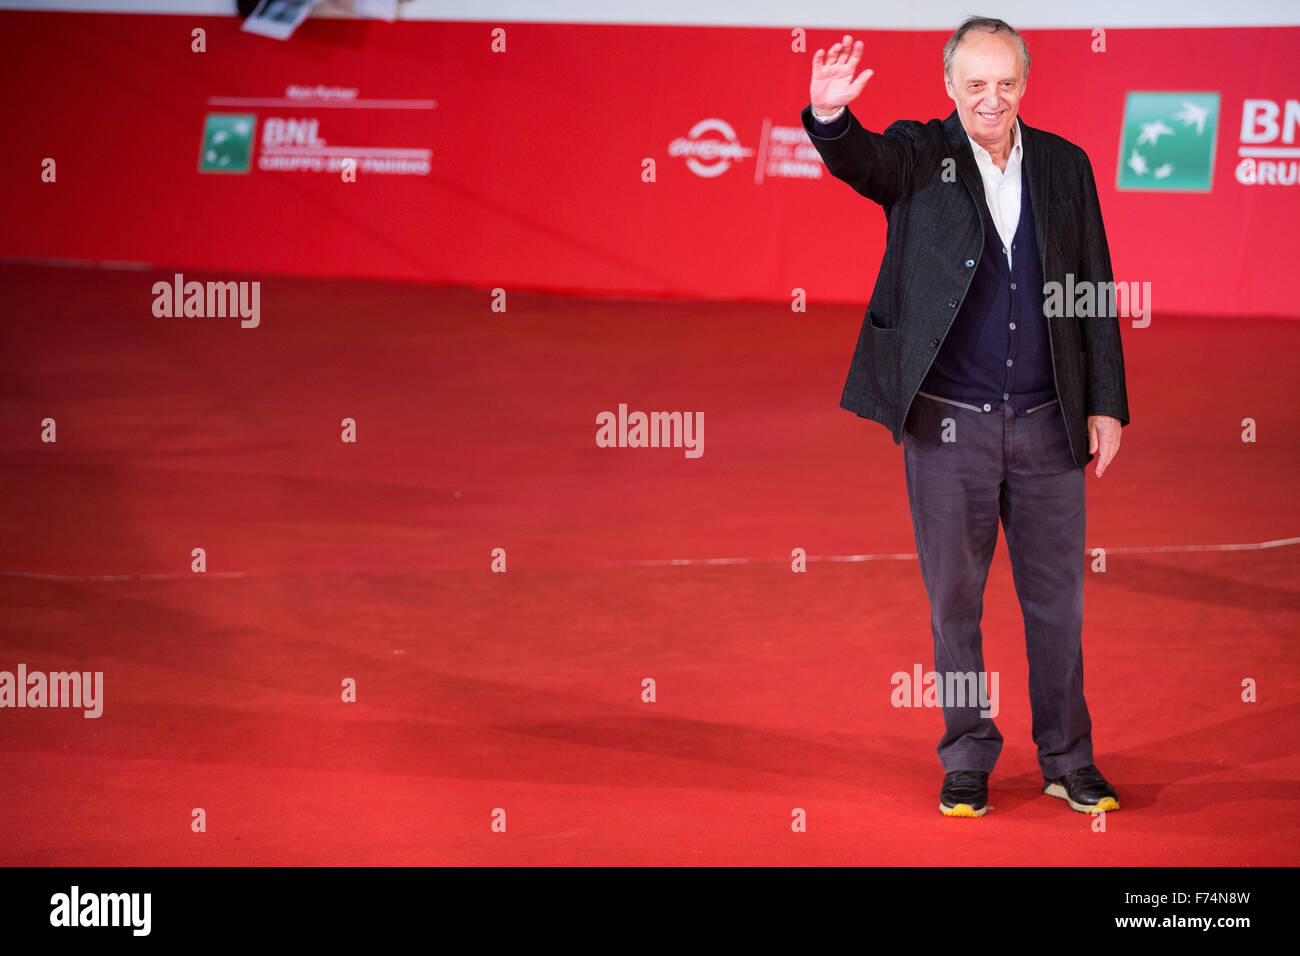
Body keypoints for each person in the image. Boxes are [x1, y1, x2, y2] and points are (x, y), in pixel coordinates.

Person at [802, 17, 1130, 817]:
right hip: (948, 426)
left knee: (1059, 604)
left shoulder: (1064, 165)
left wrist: (1106, 404)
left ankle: (1066, 757)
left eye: (1006, 82)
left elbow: (1091, 287)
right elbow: (862, 161)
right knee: (955, 602)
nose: (992, 98)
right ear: (949, 85)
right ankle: (968, 754)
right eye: (975, 83)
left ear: (1025, 83)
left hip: (1050, 422)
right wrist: (831, 118)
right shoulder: (920, 156)